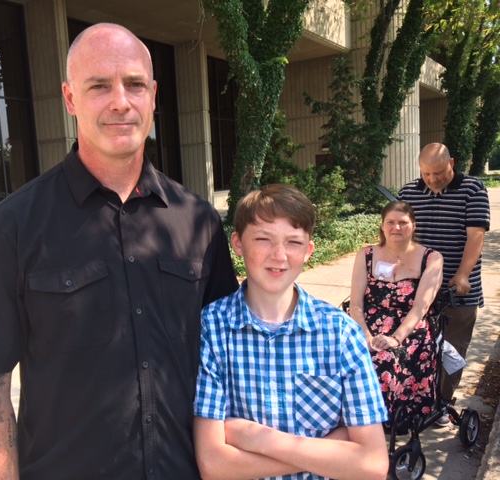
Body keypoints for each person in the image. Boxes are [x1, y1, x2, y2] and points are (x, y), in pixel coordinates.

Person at [0, 23, 238, 479]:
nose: (121, 101)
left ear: (153, 96)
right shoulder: (12, 226)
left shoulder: (199, 221)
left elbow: (230, 358)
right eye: (99, 86)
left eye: (135, 84)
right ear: (70, 98)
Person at [193, 184, 389, 480]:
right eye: (263, 239)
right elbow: (213, 465)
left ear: (309, 250)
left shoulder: (340, 333)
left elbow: (372, 465)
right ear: (238, 243)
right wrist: (331, 451)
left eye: (294, 242)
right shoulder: (212, 328)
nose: (279, 255)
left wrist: (258, 439)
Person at [398, 143, 490, 425]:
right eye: (426, 173)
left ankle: (442, 402)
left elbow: (476, 236)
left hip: (457, 290)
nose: (432, 179)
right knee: (415, 346)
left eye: (438, 172)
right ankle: (415, 397)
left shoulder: (472, 189)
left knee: (452, 349)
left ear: (451, 163)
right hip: (417, 288)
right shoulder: (408, 192)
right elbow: (400, 236)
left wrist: (462, 274)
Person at [349, 201, 444, 425]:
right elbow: (355, 304)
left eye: (403, 222)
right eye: (390, 222)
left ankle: (381, 422)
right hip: (367, 325)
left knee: (384, 358)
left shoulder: (431, 258)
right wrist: (366, 336)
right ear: (382, 226)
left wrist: (395, 338)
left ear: (413, 225)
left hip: (409, 329)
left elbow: (421, 307)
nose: (396, 227)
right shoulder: (366, 254)